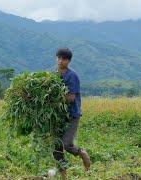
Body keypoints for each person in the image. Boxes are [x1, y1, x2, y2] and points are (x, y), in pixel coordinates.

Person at [53, 48, 91, 179]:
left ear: (68, 61)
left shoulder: (72, 76)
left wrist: (54, 98)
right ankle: (64, 177)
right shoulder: (53, 75)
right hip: (59, 117)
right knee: (56, 147)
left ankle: (82, 153)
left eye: (63, 59)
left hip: (72, 115)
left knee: (66, 144)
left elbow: (70, 98)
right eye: (58, 58)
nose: (60, 61)